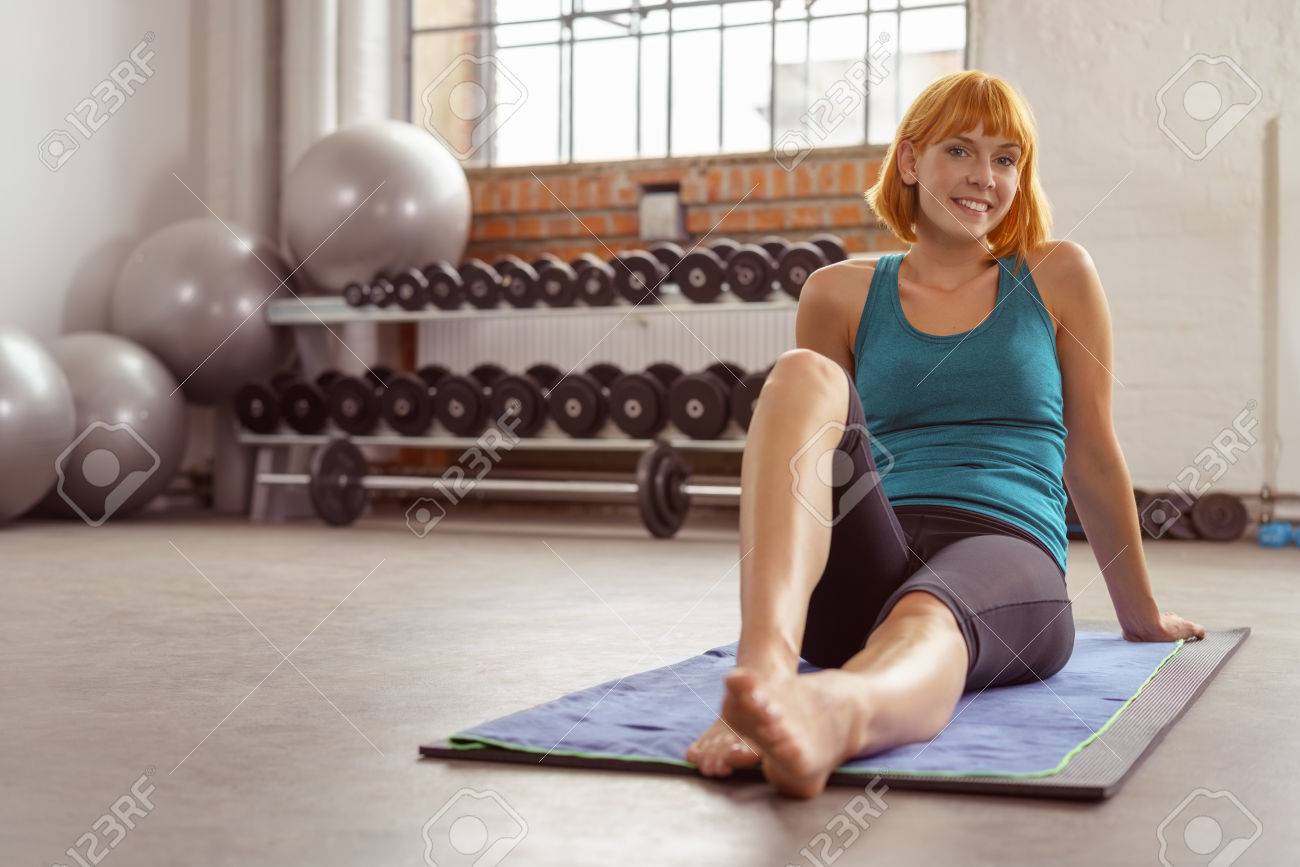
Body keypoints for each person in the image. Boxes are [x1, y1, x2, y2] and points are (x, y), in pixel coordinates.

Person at [684, 70, 1205, 799]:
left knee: (927, 616)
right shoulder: (837, 291)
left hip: (1003, 549)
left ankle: (829, 718)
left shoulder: (1057, 274)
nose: (983, 177)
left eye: (1005, 158)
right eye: (959, 150)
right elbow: (813, 463)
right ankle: (765, 673)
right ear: (909, 161)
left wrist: (1140, 614)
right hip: (869, 546)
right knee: (801, 375)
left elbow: (1090, 452)